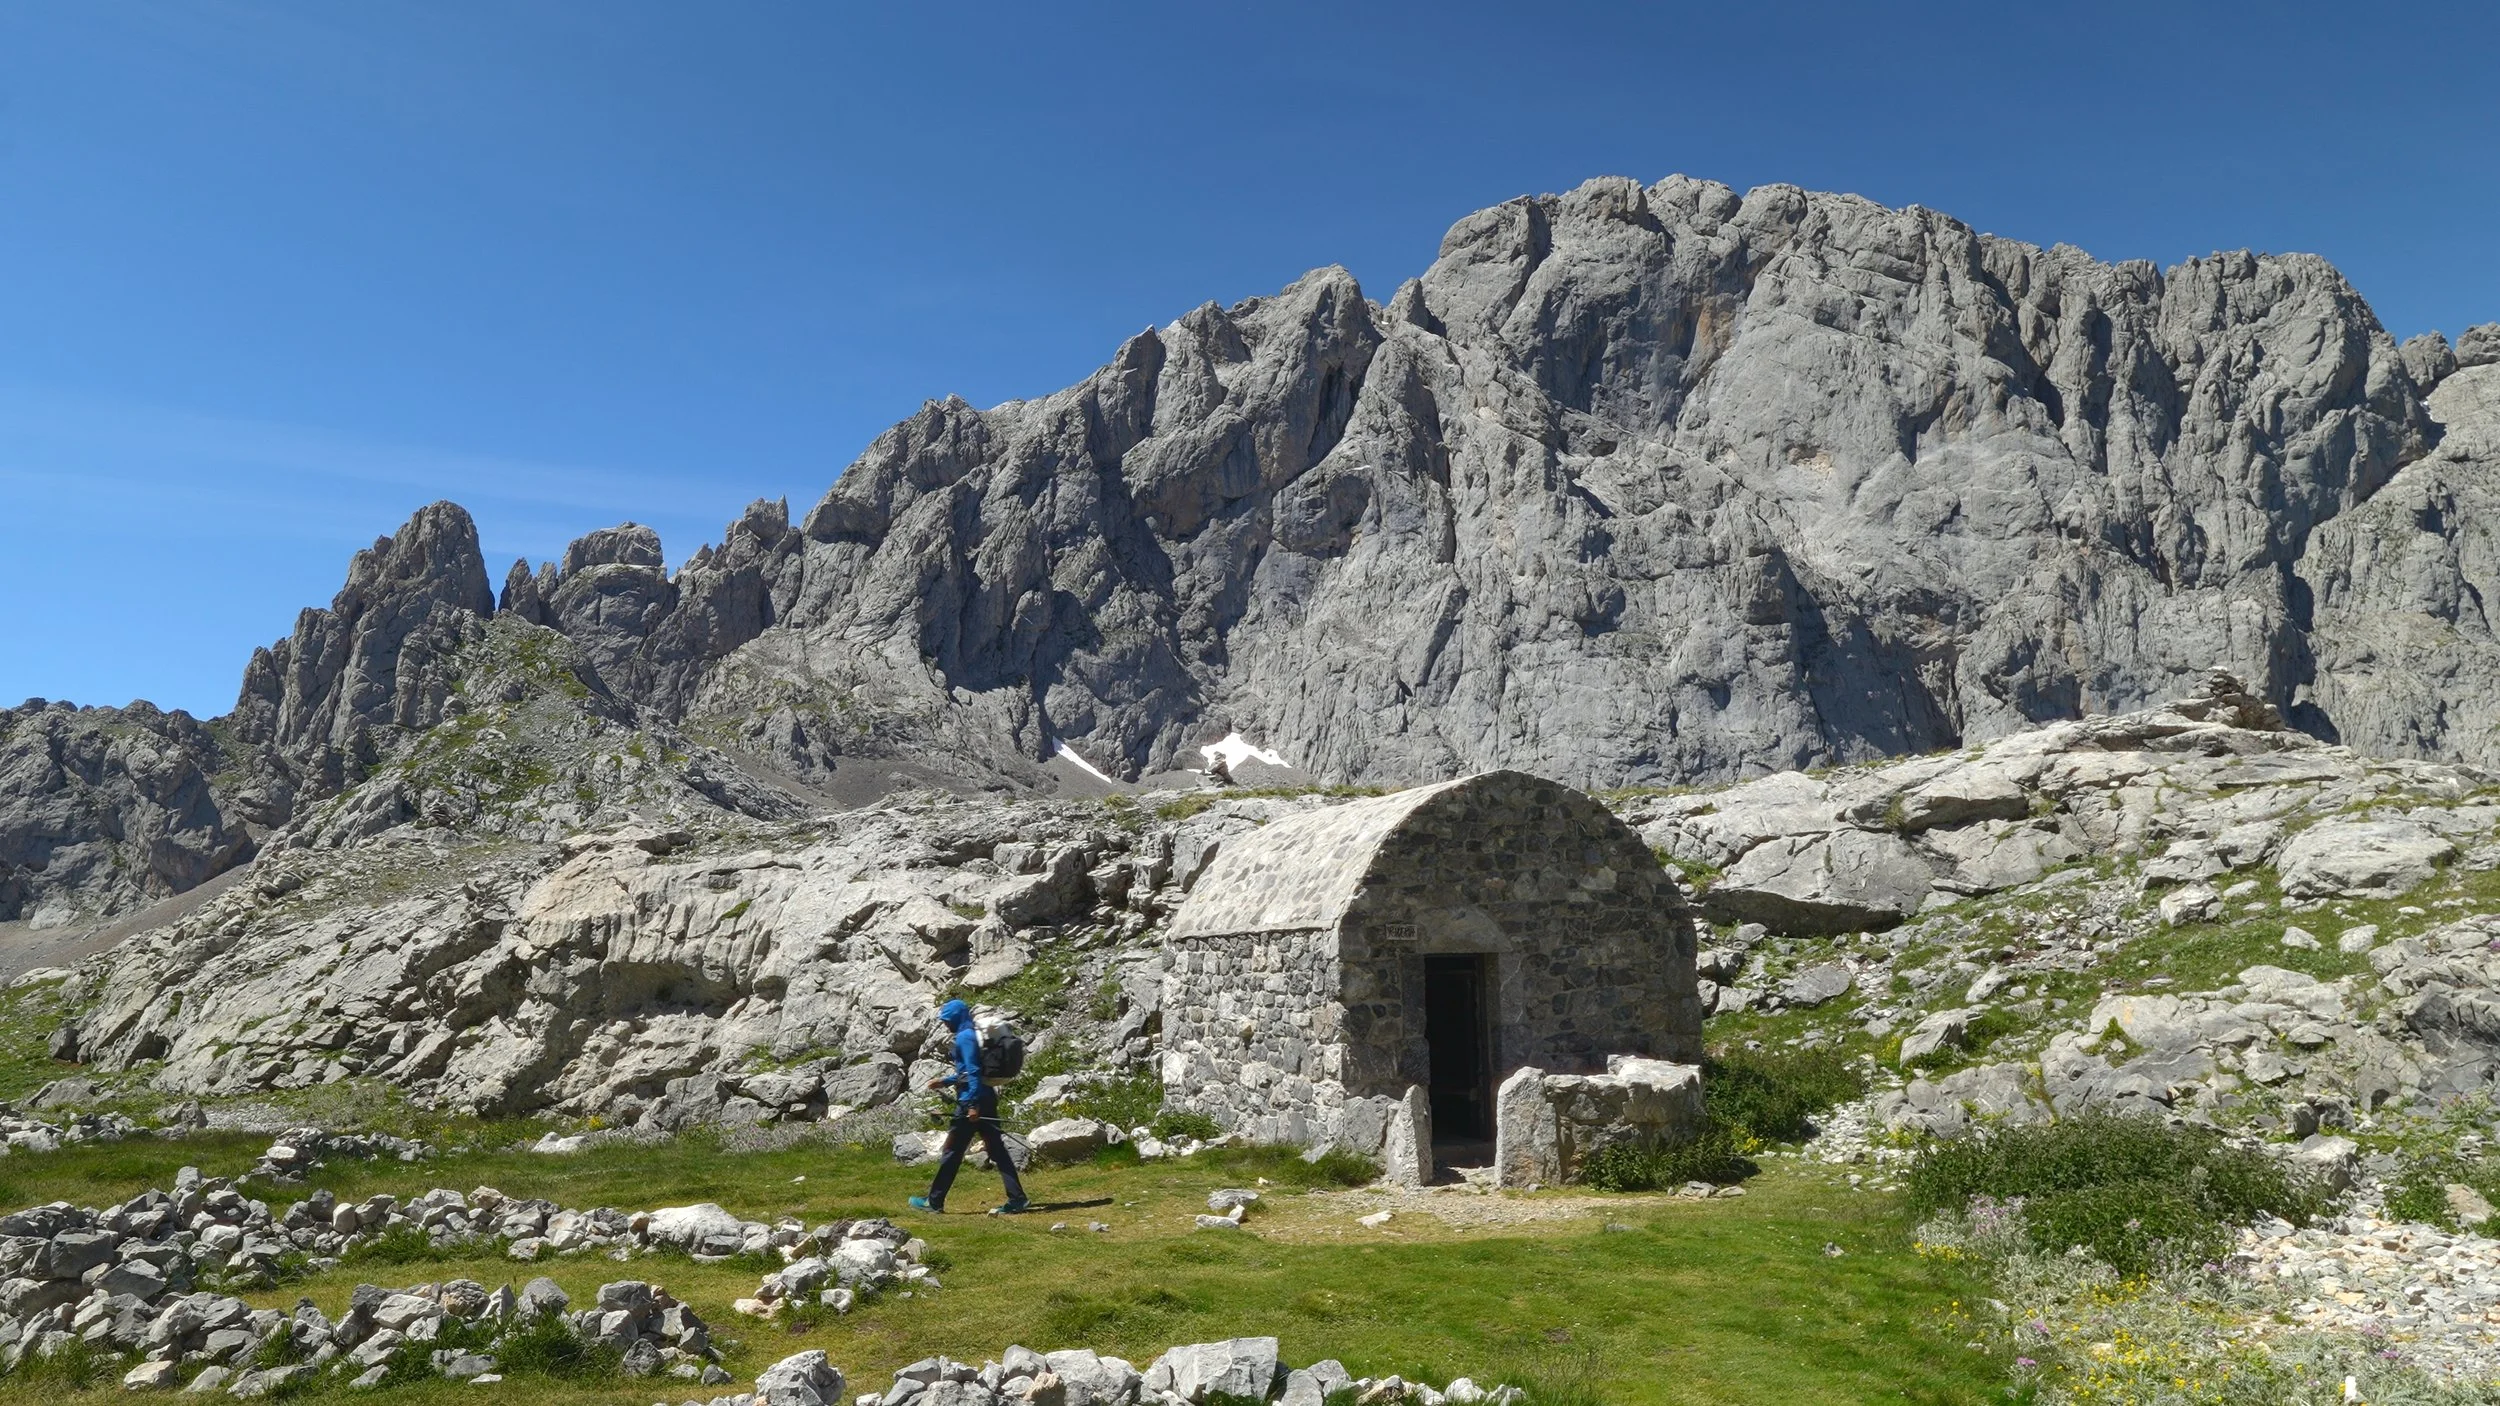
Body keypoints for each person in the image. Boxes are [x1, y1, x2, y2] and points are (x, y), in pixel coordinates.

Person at [907, 999, 1030, 1215]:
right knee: (997, 1150)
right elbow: (971, 1072)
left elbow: (972, 1071)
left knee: (952, 1151)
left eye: (948, 1020)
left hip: (970, 1101)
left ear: (956, 1018)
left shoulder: (964, 1037)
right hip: (986, 1097)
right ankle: (1017, 1199)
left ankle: (934, 1202)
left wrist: (972, 1105)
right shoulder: (972, 1033)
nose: (946, 1024)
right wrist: (945, 1082)